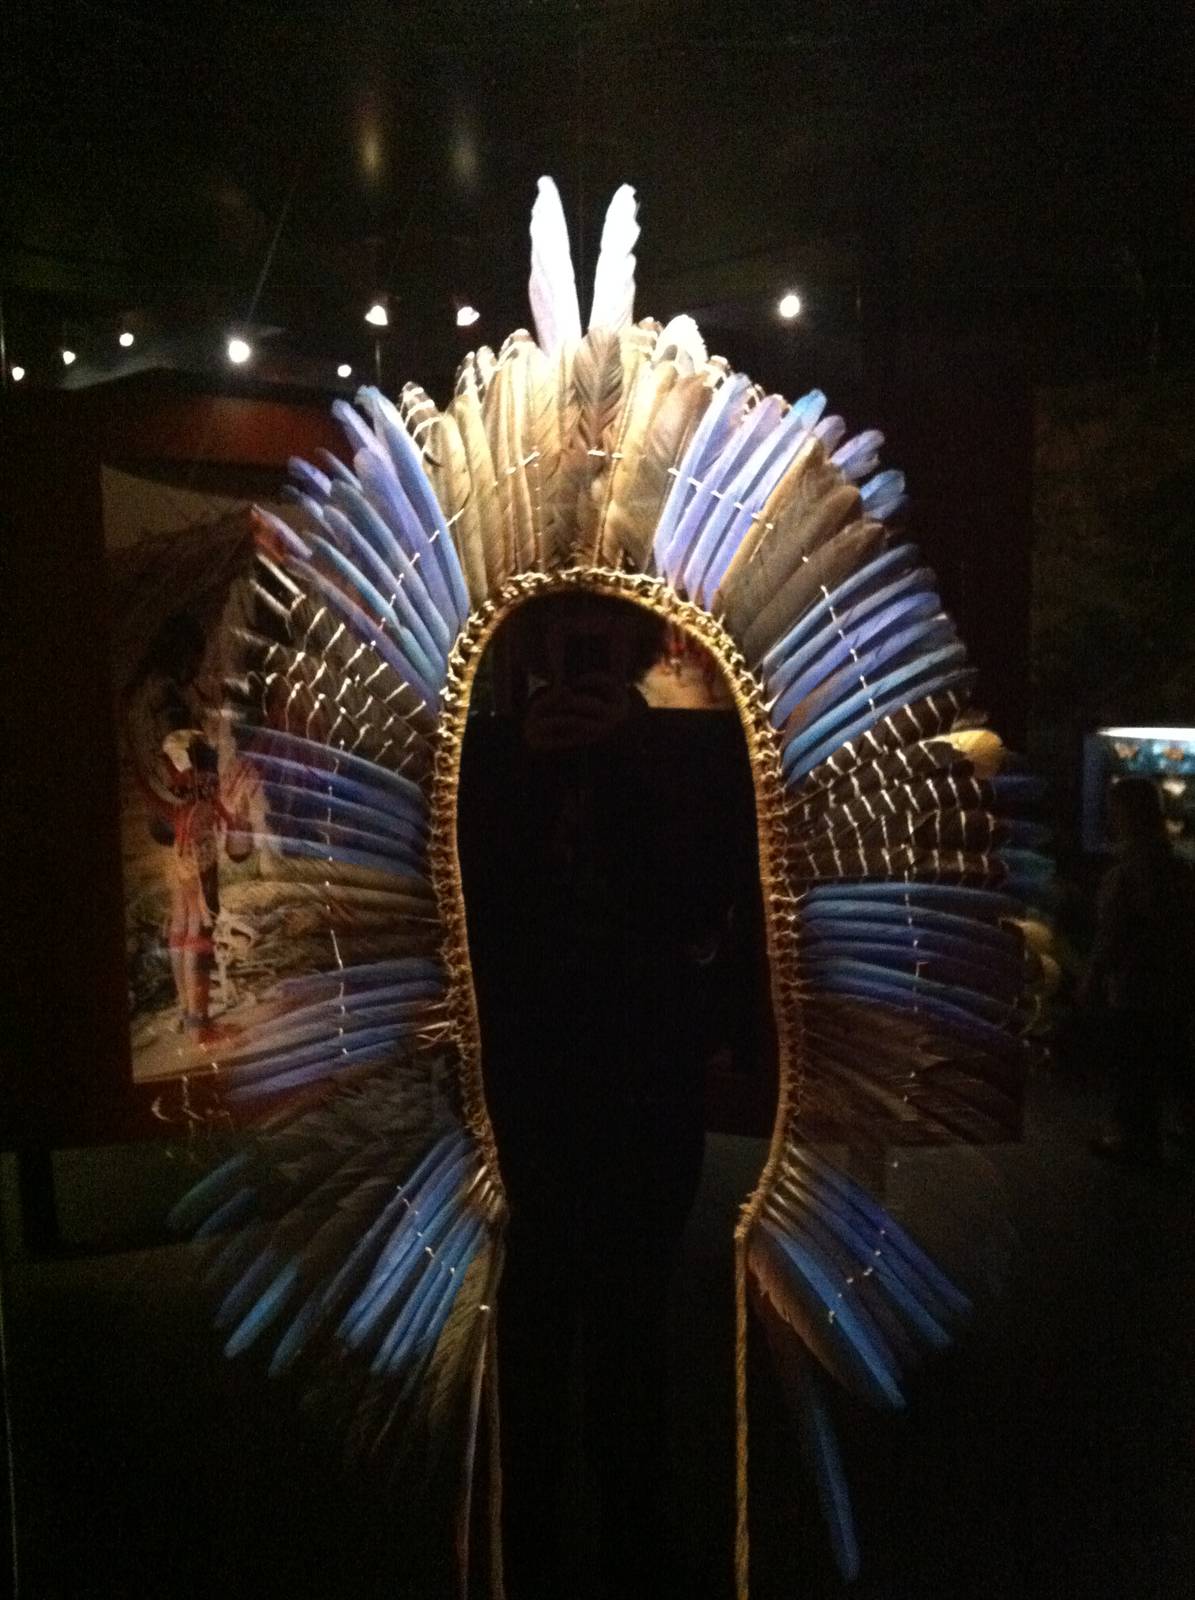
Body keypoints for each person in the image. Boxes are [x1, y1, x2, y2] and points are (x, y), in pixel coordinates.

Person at [456, 593, 762, 1598]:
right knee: (537, 1308)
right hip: (536, 1079)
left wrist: (628, 755)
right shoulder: (489, 754)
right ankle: (533, 1536)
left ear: (630, 644)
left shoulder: (690, 754)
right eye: (557, 634)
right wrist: (524, 772)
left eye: (593, 635)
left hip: (636, 1075)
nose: (574, 654)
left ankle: (630, 1533)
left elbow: (703, 897)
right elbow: (467, 912)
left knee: (632, 1315)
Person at [1082, 777, 1194, 1165]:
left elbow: (1113, 932)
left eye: (1116, 810)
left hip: (1135, 983)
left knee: (1135, 1064)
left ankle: (1136, 1142)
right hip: (1175, 980)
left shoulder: (1129, 870)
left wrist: (1093, 978)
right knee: (1174, 1057)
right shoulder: (1175, 866)